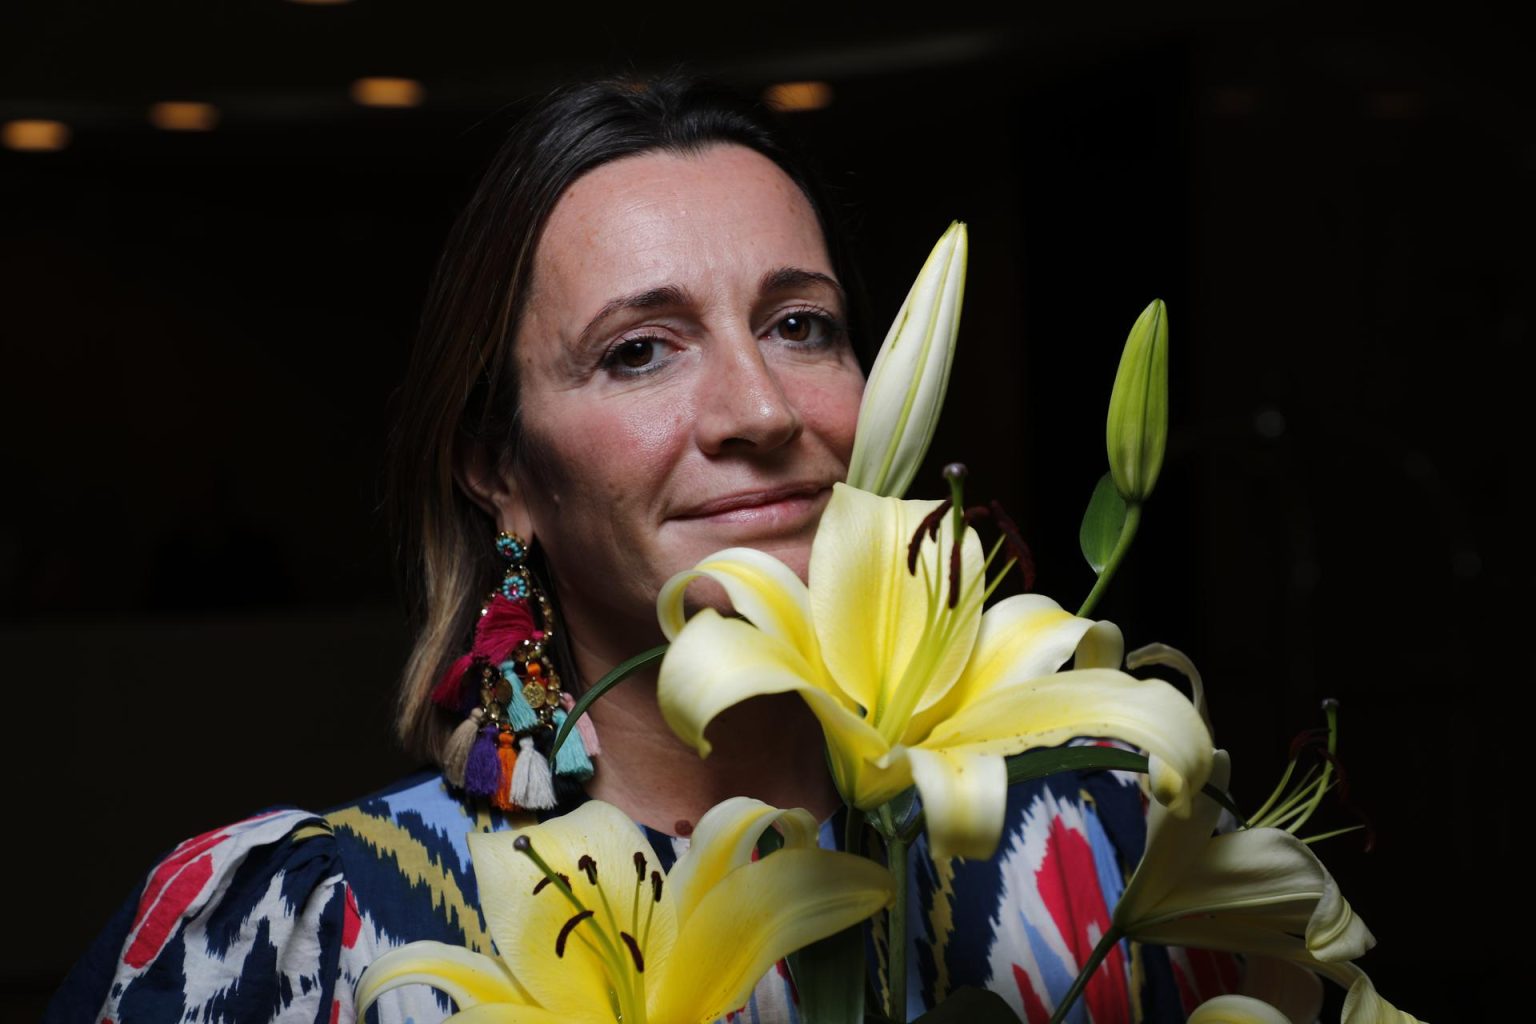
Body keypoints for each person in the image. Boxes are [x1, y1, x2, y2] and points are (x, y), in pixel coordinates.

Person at [46, 76, 1234, 1024]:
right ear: (499, 469)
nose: (761, 410)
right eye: (639, 350)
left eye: (801, 325)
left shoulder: (1106, 857)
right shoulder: (314, 930)